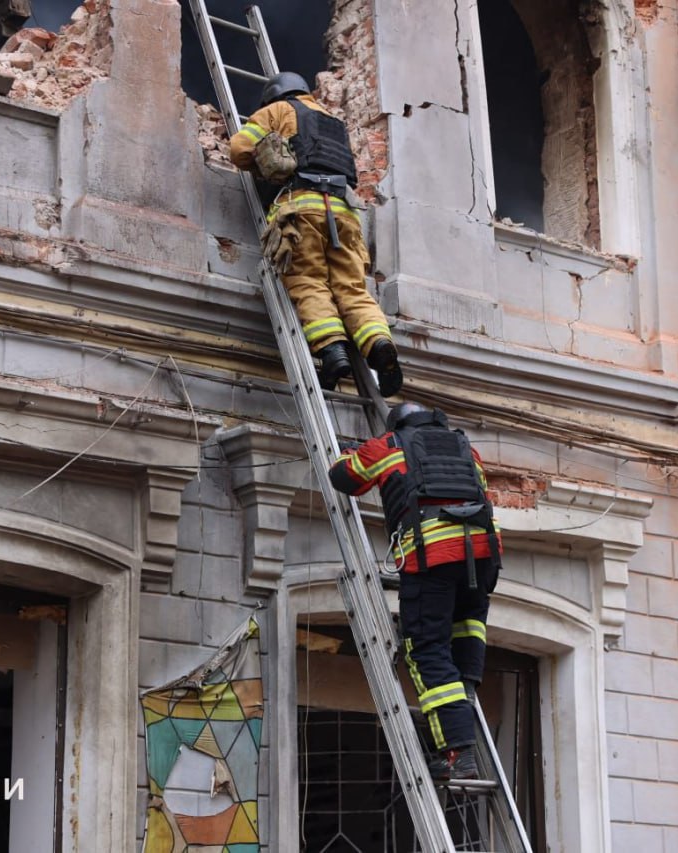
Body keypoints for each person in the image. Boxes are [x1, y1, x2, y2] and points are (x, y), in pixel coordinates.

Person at [328, 401, 502, 780]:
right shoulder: (466, 449)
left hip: (434, 558)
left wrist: (347, 453)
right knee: (467, 629)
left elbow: (344, 478)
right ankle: (465, 699)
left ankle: (458, 752)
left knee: (426, 649)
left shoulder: (388, 445)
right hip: (482, 557)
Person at [229, 71, 403, 397]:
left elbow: (239, 149)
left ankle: (332, 350)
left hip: (301, 207)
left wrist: (265, 162)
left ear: (274, 95)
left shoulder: (276, 111)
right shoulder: (332, 121)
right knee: (351, 287)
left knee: (308, 281)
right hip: (344, 213)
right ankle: (379, 343)